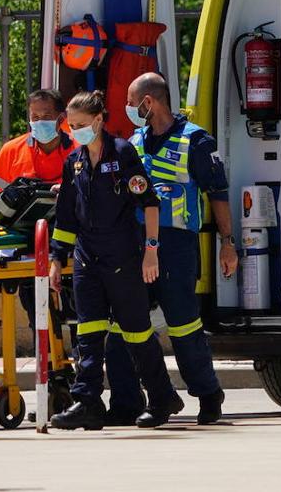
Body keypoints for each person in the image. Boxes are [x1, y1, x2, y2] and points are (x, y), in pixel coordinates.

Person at [104, 72, 237, 425]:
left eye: (132, 103)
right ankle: (129, 400)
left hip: (176, 245)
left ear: (149, 102)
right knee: (124, 326)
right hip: (136, 245)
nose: (129, 110)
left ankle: (208, 395)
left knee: (183, 324)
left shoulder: (196, 142)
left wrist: (228, 243)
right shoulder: (133, 142)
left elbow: (218, 195)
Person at [47, 90, 184, 430]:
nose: (74, 130)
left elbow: (149, 203)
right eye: (70, 125)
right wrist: (55, 259)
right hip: (86, 258)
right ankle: (87, 401)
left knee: (137, 333)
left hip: (123, 256)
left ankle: (162, 397)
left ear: (98, 120)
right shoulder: (73, 162)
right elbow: (66, 216)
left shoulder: (122, 153)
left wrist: (151, 250)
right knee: (88, 332)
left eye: (80, 124)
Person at [0, 89, 76, 329]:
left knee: (77, 309)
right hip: (26, 243)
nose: (38, 122)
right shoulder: (11, 151)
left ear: (61, 118)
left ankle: (81, 357)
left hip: (70, 241)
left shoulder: (79, 150)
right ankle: (45, 361)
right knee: (37, 312)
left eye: (45, 116)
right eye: (34, 117)